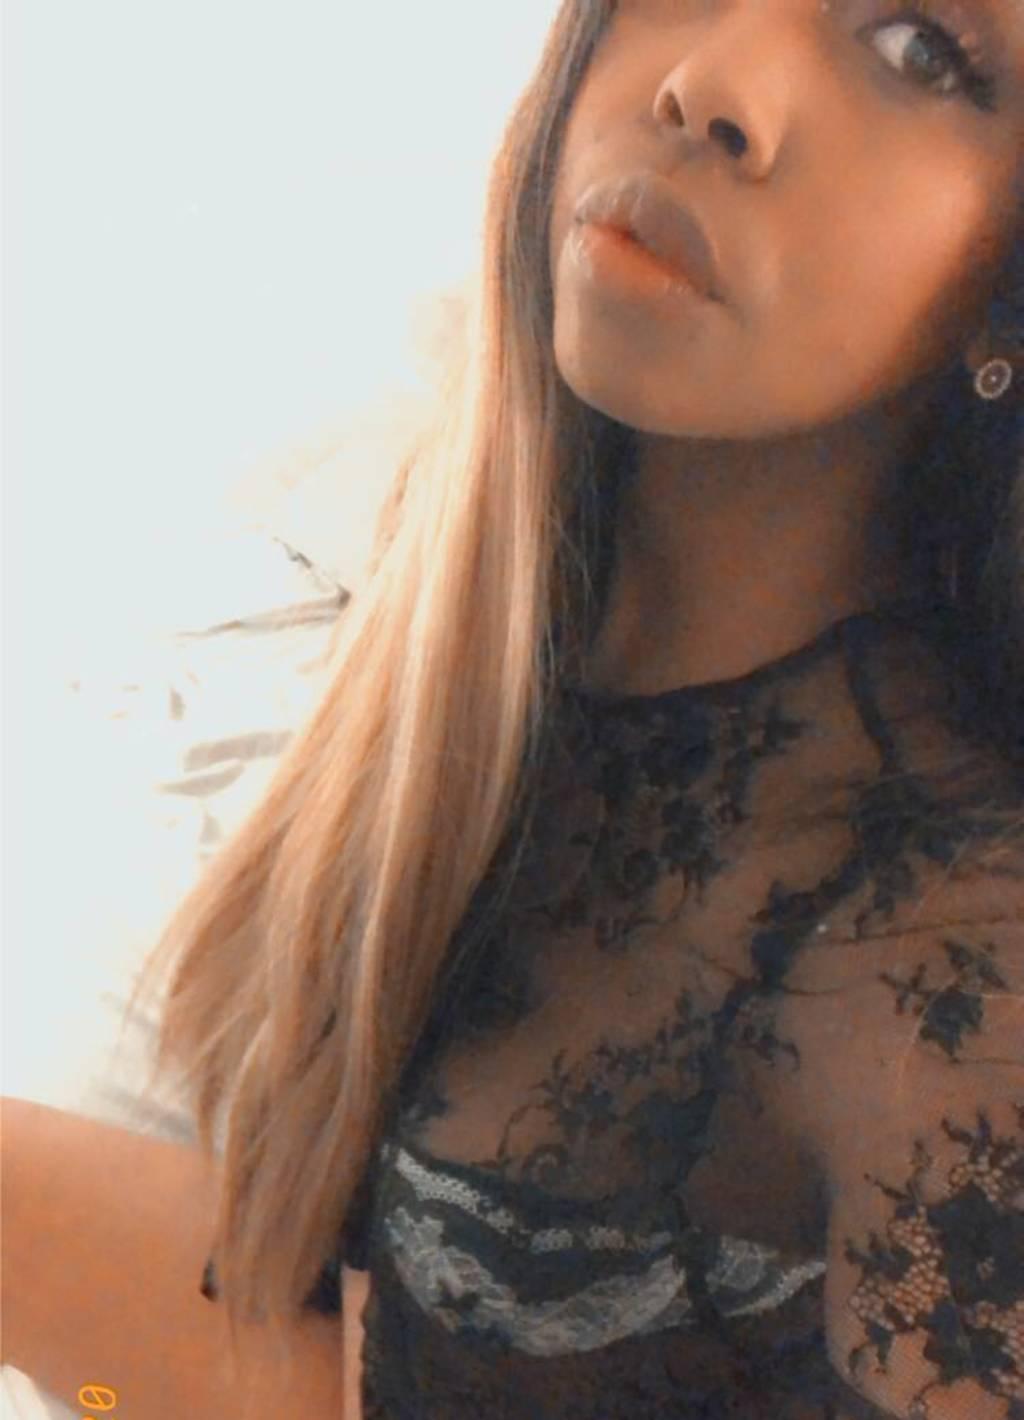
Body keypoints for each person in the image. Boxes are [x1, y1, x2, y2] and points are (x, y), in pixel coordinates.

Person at [4, 0, 1024, 1416]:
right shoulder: (480, 619)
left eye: (922, 51)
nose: (709, 83)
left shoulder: (940, 981)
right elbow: (383, 1354)